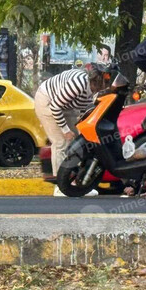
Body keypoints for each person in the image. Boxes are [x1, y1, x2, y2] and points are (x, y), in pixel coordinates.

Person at [35, 64, 108, 196]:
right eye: (106, 82)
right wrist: (65, 130)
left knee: (79, 141)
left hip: (67, 106)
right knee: (61, 142)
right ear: (97, 82)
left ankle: (77, 185)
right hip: (48, 102)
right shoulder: (78, 84)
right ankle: (60, 186)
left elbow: (83, 110)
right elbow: (55, 106)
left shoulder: (94, 90)